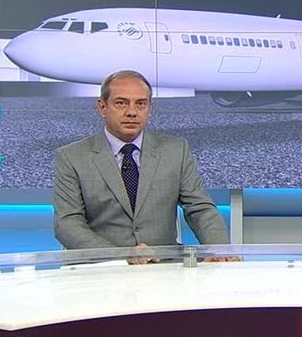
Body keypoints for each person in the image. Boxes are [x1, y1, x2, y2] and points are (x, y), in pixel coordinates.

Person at [53, 70, 230, 258]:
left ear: (150, 108)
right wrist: (122, 256)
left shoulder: (176, 150)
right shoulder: (72, 156)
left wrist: (220, 251)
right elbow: (67, 224)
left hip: (164, 266)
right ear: (102, 107)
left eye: (141, 104)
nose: (132, 112)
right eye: (121, 103)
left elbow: (200, 209)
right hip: (103, 267)